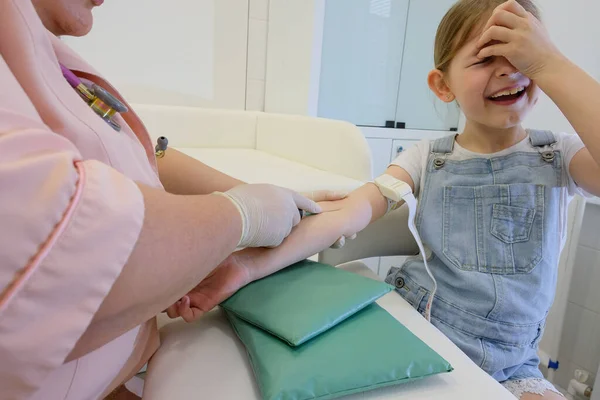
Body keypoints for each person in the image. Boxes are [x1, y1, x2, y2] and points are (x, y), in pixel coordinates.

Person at [171, 1, 600, 398]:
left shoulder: (559, 155)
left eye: (525, 57)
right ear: (442, 84)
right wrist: (244, 267)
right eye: (487, 58)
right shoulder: (424, 158)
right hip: (424, 325)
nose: (511, 71)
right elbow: (347, 216)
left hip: (518, 361)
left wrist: (551, 63)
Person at [0, 0, 343, 398]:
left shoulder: (35, 49)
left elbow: (135, 156)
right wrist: (240, 215)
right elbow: (66, 251)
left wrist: (247, 195)